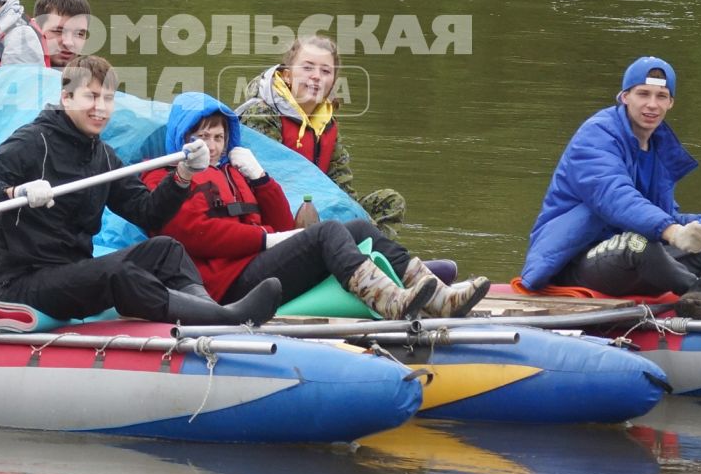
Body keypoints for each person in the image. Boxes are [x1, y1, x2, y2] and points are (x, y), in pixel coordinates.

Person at [0, 56, 285, 326]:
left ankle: (211, 316)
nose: (101, 108)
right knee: (116, 273)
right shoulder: (31, 141)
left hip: (70, 270)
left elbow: (147, 212)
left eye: (108, 99)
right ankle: (227, 319)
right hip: (23, 282)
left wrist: (182, 176)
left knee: (166, 249)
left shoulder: (102, 155)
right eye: (91, 97)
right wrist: (15, 193)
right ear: (66, 98)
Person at [143, 94, 491, 320]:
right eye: (202, 137)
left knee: (359, 227)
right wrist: (265, 240)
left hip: (257, 263)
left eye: (218, 137)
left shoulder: (234, 171)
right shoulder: (165, 178)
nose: (212, 146)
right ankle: (389, 301)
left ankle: (438, 297)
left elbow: (283, 223)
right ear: (183, 139)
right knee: (326, 233)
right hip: (228, 287)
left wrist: (262, 179)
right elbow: (196, 235)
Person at [517, 56, 701, 320]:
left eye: (661, 96)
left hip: (638, 257)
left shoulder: (658, 146)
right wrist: (673, 231)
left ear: (671, 103)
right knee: (640, 244)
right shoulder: (596, 135)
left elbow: (661, 213)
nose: (652, 104)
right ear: (624, 97)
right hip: (578, 261)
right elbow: (615, 198)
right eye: (643, 94)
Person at [236, 34, 406, 235]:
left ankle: (374, 254)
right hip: (273, 214)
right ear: (288, 75)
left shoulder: (327, 124)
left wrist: (358, 216)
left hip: (320, 213)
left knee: (390, 201)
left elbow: (341, 187)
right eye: (307, 68)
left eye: (325, 71)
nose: (316, 76)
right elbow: (267, 183)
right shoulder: (262, 113)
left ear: (332, 82)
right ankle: (358, 253)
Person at [31, 0, 92, 70]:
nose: (69, 43)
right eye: (58, 31)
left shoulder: (93, 79)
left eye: (79, 34)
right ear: (36, 29)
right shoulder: (13, 73)